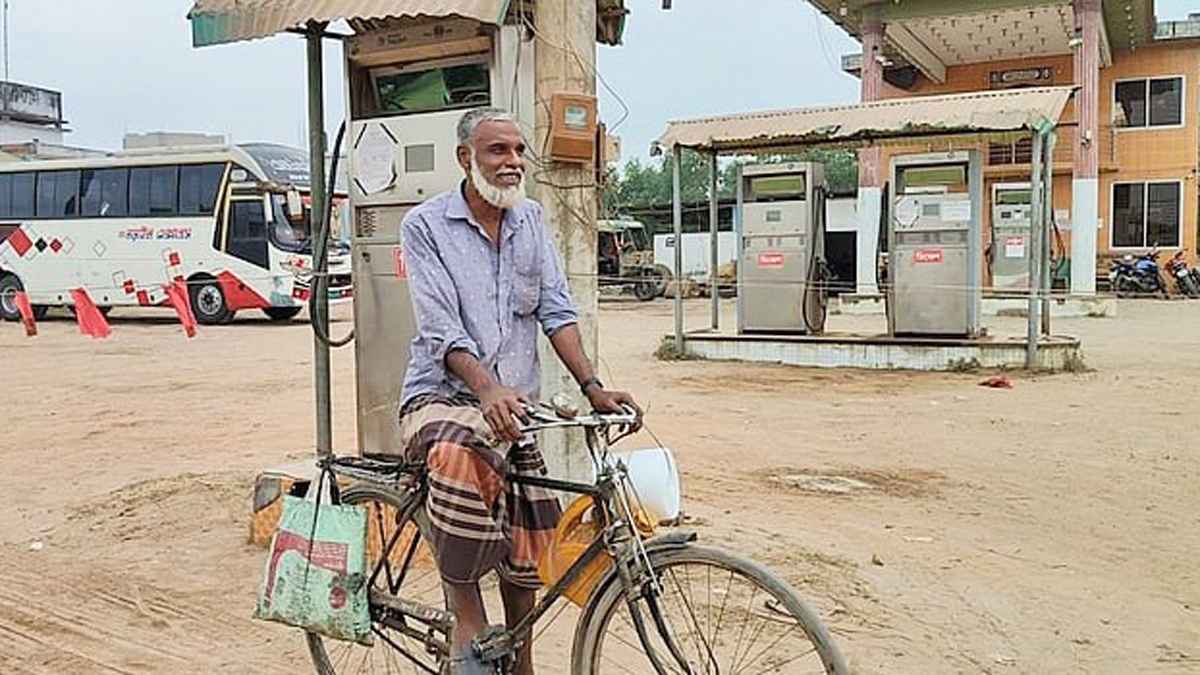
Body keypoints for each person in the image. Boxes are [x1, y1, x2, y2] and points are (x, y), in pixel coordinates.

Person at [397, 107, 641, 675]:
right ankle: (468, 620)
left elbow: (557, 311)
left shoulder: (531, 220)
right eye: (497, 152)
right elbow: (441, 330)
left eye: (518, 151)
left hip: (510, 409)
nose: (512, 163)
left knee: (528, 546)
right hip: (441, 399)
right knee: (459, 457)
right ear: (467, 159)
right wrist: (485, 389)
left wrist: (593, 387)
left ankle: (523, 663)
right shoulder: (425, 225)